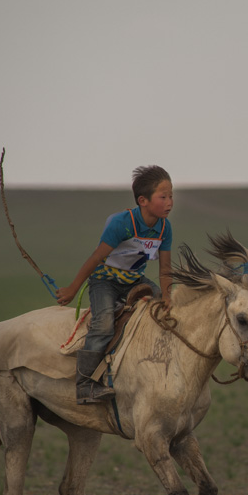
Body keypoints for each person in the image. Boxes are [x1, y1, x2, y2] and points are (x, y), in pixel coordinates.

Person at [56, 165, 174, 404]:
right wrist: (72, 288)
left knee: (165, 311)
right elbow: (96, 258)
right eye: (164, 197)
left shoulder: (164, 227)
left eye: (172, 196)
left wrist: (168, 297)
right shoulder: (122, 224)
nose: (170, 202)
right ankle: (86, 385)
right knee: (104, 324)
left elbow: (165, 269)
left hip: (134, 281)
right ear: (143, 200)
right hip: (105, 281)